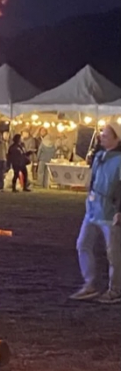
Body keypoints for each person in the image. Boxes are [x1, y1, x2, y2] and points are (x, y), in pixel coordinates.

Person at [71, 124, 121, 304]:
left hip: (110, 212)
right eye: (102, 134)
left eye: (106, 135)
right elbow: (93, 180)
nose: (101, 137)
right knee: (82, 244)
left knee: (113, 253)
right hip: (93, 208)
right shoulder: (99, 156)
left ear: (117, 139)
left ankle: (115, 290)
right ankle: (90, 284)